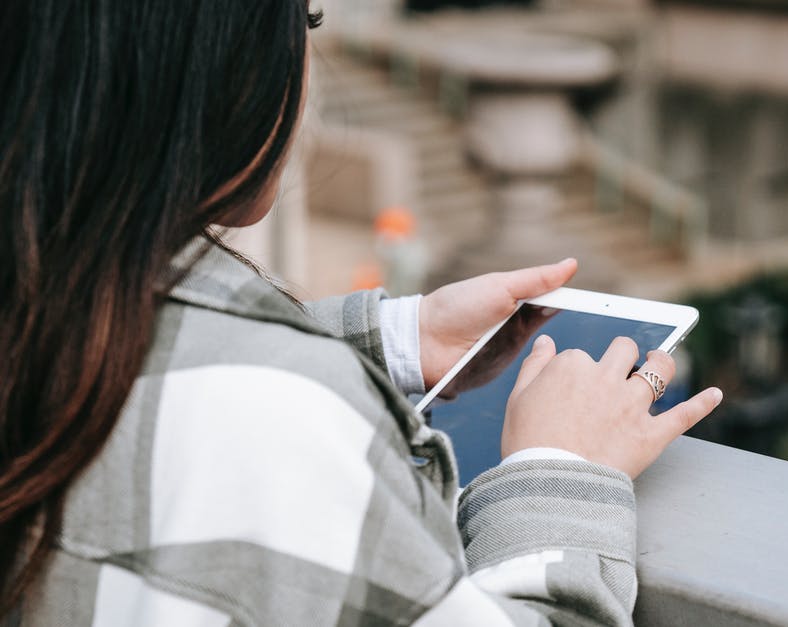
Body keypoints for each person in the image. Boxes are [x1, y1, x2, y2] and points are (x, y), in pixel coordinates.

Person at [0, 2, 723, 625]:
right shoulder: (279, 423)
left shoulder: (42, 292)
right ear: (208, 69)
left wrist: (392, 339)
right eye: (306, 18)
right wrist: (559, 470)